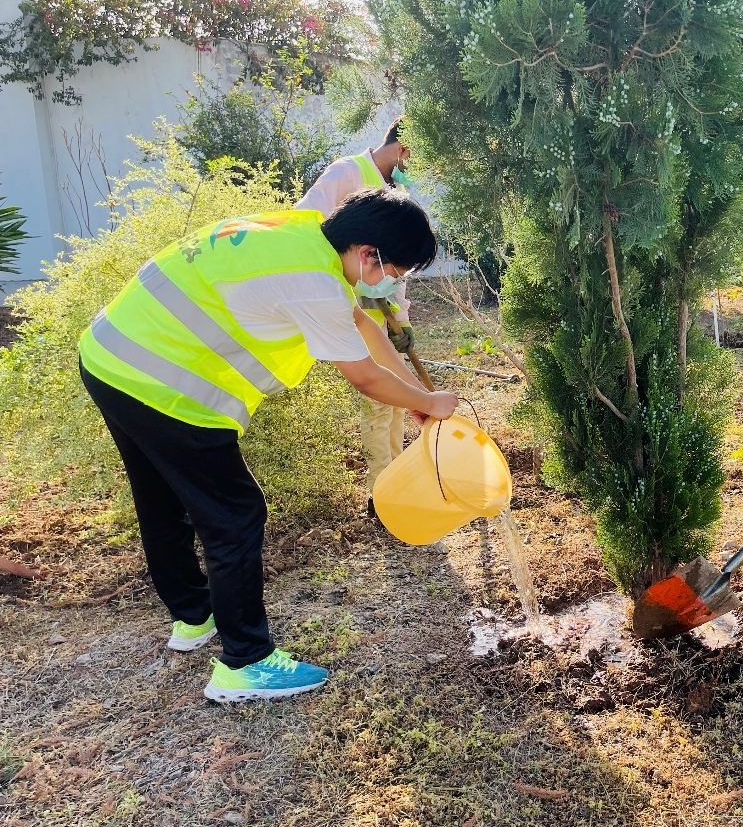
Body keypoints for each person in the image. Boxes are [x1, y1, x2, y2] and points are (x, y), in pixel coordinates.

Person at [78, 188, 459, 702]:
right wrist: (431, 403)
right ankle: (246, 663)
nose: (395, 281)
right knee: (235, 514)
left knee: (161, 497)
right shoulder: (314, 282)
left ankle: (194, 618)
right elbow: (364, 377)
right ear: (369, 253)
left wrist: (417, 396)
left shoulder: (300, 235)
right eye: (397, 270)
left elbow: (363, 325)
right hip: (162, 380)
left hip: (110, 355)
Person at [299, 118, 418, 515]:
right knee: (379, 401)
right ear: (402, 149)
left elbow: (394, 273)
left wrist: (400, 319)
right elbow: (307, 227)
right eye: (419, 158)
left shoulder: (396, 192)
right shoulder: (347, 174)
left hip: (374, 310)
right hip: (340, 304)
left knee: (399, 403)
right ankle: (382, 494)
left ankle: (401, 480)